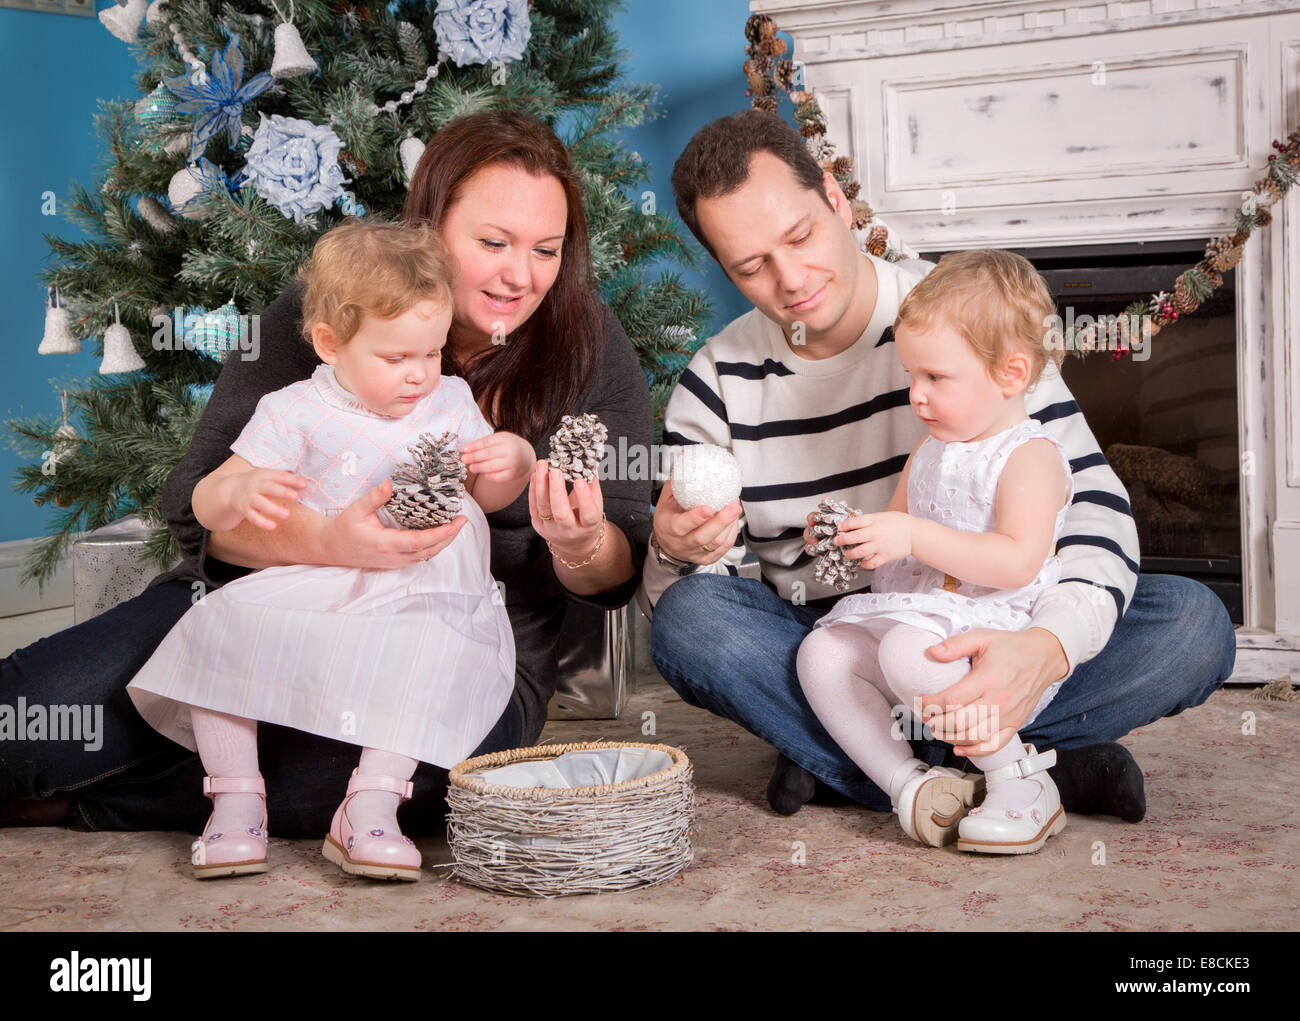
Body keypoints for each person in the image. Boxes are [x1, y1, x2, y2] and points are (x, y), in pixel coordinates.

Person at [0, 110, 652, 837]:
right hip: (266, 603)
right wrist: (332, 541)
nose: (520, 275)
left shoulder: (587, 345)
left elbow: (619, 563)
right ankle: (118, 766)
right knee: (27, 717)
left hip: (456, 649)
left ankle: (86, 802)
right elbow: (197, 506)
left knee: (426, 773)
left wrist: (580, 543)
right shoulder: (333, 312)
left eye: (546, 249)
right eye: (493, 242)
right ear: (430, 228)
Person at [641, 109, 1236, 822]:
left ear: (835, 198)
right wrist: (674, 552)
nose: (791, 277)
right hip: (844, 638)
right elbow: (710, 596)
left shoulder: (968, 319)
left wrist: (1045, 647)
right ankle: (1027, 764)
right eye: (750, 266)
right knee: (690, 622)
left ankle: (858, 765)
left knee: (1194, 624)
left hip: (997, 621)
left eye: (799, 236)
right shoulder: (715, 384)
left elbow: (1088, 508)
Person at [125, 218, 534, 880]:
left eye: (431, 353)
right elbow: (204, 499)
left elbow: (485, 490)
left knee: (426, 656)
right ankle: (234, 800)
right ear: (331, 344)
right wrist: (241, 490)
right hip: (326, 572)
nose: (419, 376)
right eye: (396, 358)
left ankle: (370, 804)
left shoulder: (450, 401)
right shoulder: (296, 411)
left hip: (423, 586)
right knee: (222, 624)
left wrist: (511, 459)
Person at [797, 249, 1077, 854]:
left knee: (907, 648)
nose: (916, 397)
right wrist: (852, 537)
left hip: (989, 637)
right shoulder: (929, 450)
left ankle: (1019, 781)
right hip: (917, 617)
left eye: (935, 378)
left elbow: (1016, 561)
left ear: (1010, 373)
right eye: (910, 377)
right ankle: (912, 785)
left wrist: (914, 536)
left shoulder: (1030, 456)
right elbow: (895, 535)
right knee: (821, 652)